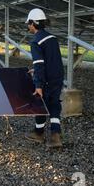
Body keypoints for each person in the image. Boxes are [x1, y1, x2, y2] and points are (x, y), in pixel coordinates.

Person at [25, 9, 64, 148]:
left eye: (28, 24)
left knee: (40, 104)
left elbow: (40, 63)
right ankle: (55, 136)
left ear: (33, 23)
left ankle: (38, 133)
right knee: (54, 104)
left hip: (46, 79)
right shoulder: (52, 38)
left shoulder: (36, 41)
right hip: (58, 77)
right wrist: (36, 70)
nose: (28, 27)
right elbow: (52, 60)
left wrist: (38, 85)